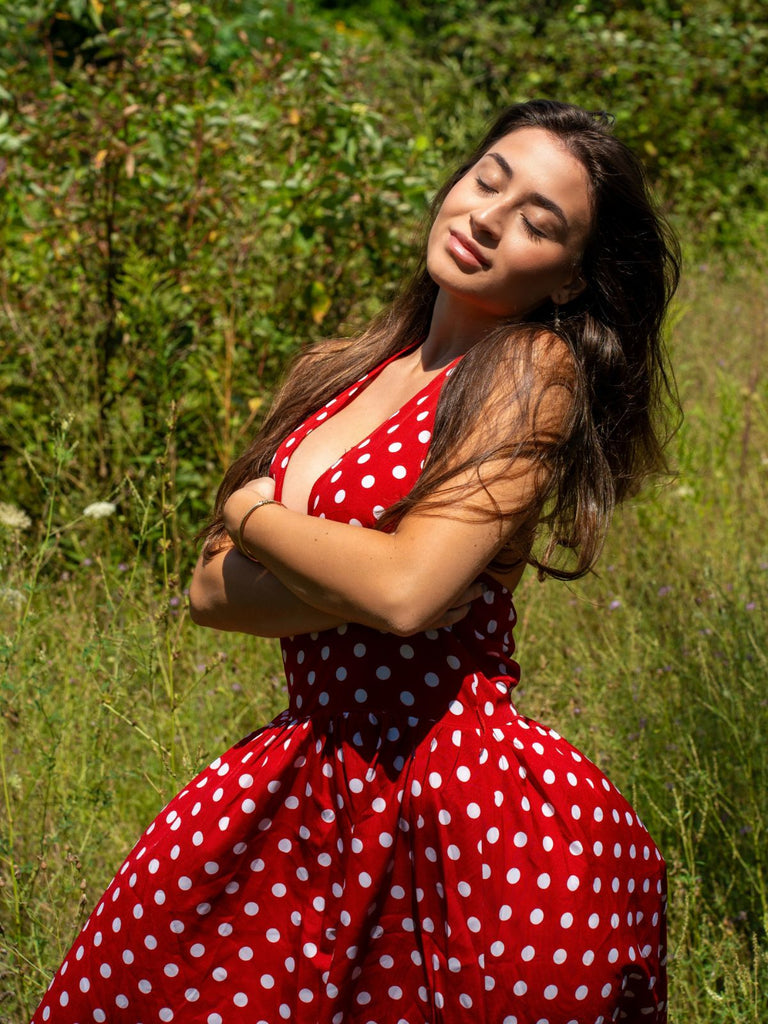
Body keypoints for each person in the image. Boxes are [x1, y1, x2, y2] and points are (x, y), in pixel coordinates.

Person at [33, 99, 680, 1024]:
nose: (489, 219)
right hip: (305, 770)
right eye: (486, 180)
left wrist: (260, 518)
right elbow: (211, 591)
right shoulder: (339, 369)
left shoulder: (529, 369)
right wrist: (306, 548)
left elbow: (408, 595)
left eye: (540, 222)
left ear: (572, 279)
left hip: (451, 797)